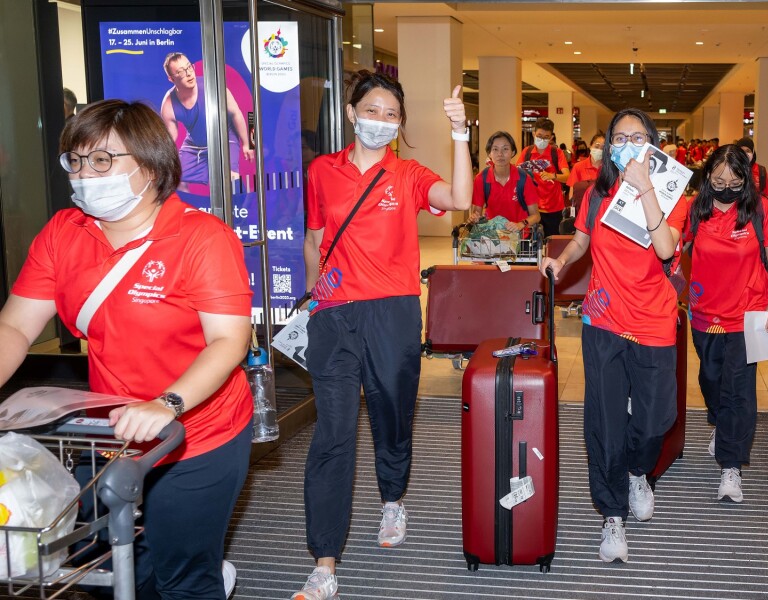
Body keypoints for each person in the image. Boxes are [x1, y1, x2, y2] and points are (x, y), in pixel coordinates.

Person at [0, 99, 253, 598]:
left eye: (102, 161)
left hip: (198, 431)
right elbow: (15, 325)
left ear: (151, 165)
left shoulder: (201, 238)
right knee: (103, 568)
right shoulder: (62, 234)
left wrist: (169, 402)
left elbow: (229, 340)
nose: (85, 174)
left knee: (182, 574)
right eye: (75, 160)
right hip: (110, 430)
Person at [293, 70, 472, 600]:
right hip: (334, 314)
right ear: (351, 113)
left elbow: (460, 197)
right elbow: (313, 239)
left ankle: (393, 498)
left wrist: (461, 132)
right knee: (333, 435)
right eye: (372, 110)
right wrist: (311, 296)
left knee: (393, 416)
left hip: (392, 313)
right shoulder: (322, 170)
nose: (381, 121)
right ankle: (325, 561)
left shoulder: (409, 174)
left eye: (391, 115)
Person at [540, 108, 686, 564]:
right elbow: (582, 240)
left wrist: (644, 187)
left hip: (654, 319)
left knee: (655, 418)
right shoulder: (596, 194)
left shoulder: (673, 192)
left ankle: (639, 471)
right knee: (604, 421)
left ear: (652, 142)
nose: (627, 144)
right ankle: (612, 515)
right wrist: (562, 262)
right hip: (602, 318)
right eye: (619, 137)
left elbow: (665, 247)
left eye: (637, 136)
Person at [685, 144, 768, 504]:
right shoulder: (695, 209)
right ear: (708, 176)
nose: (726, 186)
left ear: (746, 179)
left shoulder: (759, 209)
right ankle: (721, 423)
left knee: (739, 391)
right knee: (710, 380)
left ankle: (732, 467)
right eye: (718, 179)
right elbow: (668, 248)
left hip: (749, 312)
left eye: (734, 180)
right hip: (704, 313)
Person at [159, 52, 255, 193]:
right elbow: (171, 137)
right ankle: (191, 211)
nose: (188, 74)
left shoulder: (214, 87)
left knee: (232, 180)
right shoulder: (168, 104)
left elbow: (237, 113)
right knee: (176, 180)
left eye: (189, 68)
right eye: (180, 72)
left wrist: (248, 144)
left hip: (224, 138)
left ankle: (244, 207)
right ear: (171, 78)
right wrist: (159, 158)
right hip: (195, 144)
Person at [469, 130, 540, 230]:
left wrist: (520, 224)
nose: (500, 154)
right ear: (489, 154)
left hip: (520, 237)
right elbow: (476, 212)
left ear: (513, 152)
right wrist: (474, 218)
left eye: (505, 149)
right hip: (492, 237)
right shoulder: (481, 179)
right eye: (495, 149)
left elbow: (536, 216)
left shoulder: (524, 179)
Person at [518, 118, 569, 237]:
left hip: (554, 208)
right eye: (539, 135)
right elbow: (517, 173)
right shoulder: (527, 152)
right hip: (532, 208)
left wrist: (553, 176)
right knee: (532, 245)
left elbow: (567, 177)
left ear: (551, 137)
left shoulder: (557, 153)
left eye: (546, 137)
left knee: (552, 244)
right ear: (534, 134)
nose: (542, 139)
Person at [565, 132, 604, 213]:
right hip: (582, 213)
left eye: (603, 148)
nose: (599, 150)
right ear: (590, 146)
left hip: (601, 212)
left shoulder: (609, 169)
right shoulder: (578, 167)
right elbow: (572, 196)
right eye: (596, 146)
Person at [734, 137, 768, 204]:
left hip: (756, 210)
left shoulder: (761, 171)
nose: (745, 154)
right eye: (741, 151)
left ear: (753, 152)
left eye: (748, 150)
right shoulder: (731, 169)